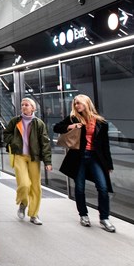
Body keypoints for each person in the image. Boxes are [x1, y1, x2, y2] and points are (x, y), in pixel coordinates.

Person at [53, 94, 116, 232]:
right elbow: (56, 128)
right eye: (75, 103)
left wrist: (109, 165)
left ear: (87, 103)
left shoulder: (100, 122)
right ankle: (83, 215)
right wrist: (71, 126)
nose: (77, 106)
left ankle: (104, 218)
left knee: (103, 187)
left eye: (79, 103)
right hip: (78, 157)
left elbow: (105, 145)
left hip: (95, 158)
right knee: (80, 188)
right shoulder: (73, 118)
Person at [3, 98, 52, 225]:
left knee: (35, 187)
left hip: (34, 157)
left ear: (33, 108)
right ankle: (23, 203)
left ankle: (34, 214)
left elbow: (45, 143)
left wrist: (48, 162)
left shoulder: (39, 123)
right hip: (19, 156)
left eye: (27, 105)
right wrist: (13, 141)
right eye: (22, 105)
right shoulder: (15, 121)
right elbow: (6, 133)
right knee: (24, 184)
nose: (24, 107)